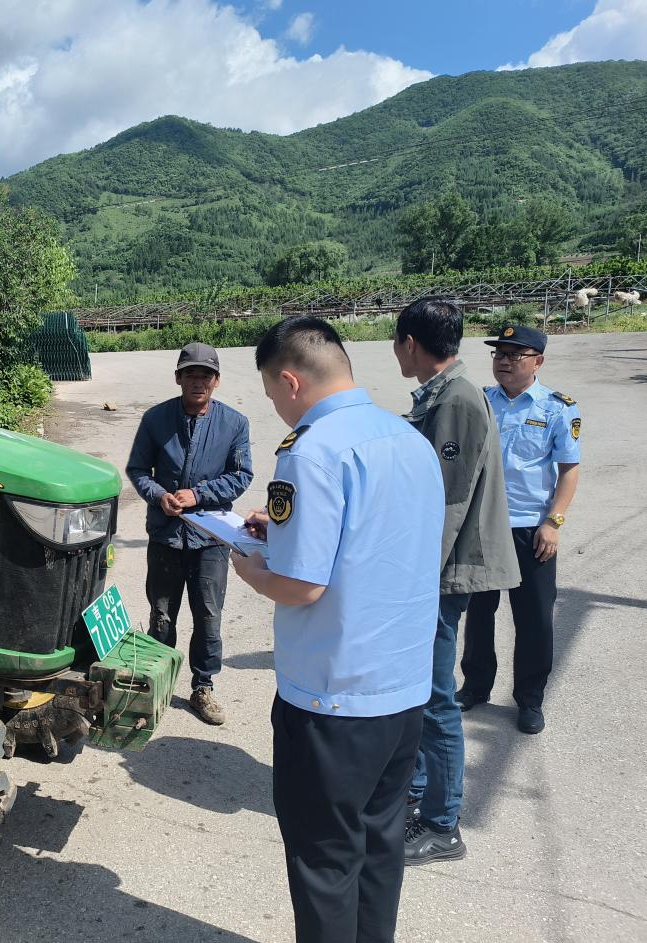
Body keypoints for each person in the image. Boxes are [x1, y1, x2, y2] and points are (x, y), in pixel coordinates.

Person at [231, 317, 442, 943]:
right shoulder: (408, 439)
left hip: (332, 699)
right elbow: (374, 541)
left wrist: (253, 571)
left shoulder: (310, 451)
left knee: (324, 861)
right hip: (403, 689)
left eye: (271, 392)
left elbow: (302, 586)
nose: (275, 406)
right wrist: (281, 532)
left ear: (290, 380)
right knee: (379, 845)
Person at [392, 298, 519, 866]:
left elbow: (446, 502)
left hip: (443, 574)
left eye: (397, 344)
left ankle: (443, 825)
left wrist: (413, 581)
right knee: (422, 693)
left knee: (435, 699)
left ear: (410, 343)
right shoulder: (443, 393)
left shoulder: (458, 398)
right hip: (438, 571)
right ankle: (418, 794)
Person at [459, 324, 581, 735]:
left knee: (534, 619)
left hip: (531, 530)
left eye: (515, 355)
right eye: (499, 354)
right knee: (479, 613)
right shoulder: (480, 401)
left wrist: (554, 521)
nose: (504, 361)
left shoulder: (557, 409)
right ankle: (475, 686)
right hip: (483, 525)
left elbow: (569, 470)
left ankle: (530, 699)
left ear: (538, 361)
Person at [126, 342, 252, 726]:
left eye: (206, 375)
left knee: (208, 616)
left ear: (216, 381)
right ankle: (157, 685)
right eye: (191, 374)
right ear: (178, 378)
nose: (198, 381)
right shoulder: (156, 419)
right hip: (166, 536)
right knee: (162, 615)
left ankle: (203, 687)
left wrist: (199, 494)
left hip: (210, 538)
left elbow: (241, 475)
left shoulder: (234, 423)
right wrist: (159, 496)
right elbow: (138, 470)